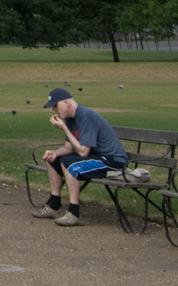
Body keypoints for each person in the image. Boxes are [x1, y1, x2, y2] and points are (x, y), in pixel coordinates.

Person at [34, 88, 131, 225]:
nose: (54, 110)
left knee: (68, 163)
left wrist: (64, 129)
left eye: (56, 105)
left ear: (66, 102)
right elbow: (68, 148)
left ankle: (74, 214)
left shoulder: (85, 117)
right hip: (95, 157)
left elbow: (83, 152)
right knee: (53, 160)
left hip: (111, 160)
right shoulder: (69, 118)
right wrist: (55, 153)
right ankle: (54, 206)